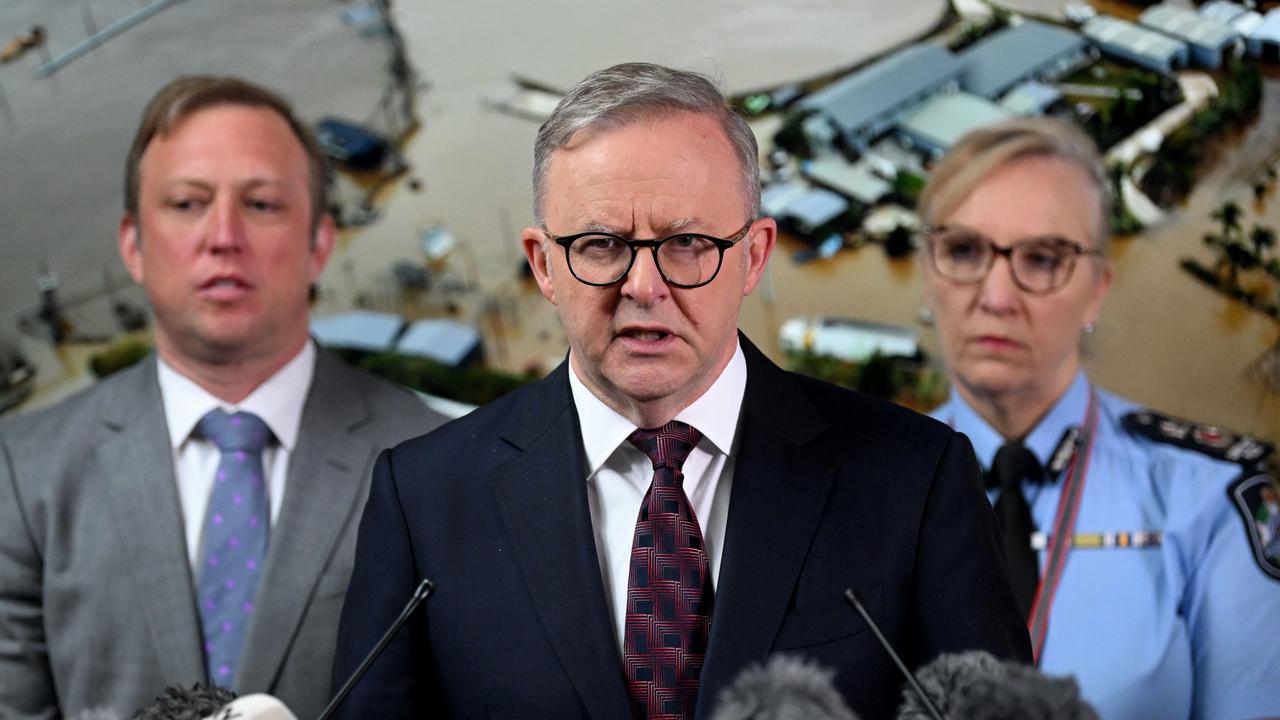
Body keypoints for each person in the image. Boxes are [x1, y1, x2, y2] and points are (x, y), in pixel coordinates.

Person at [332, 62, 1030, 720]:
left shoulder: (915, 480)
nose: (644, 286)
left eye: (689, 243)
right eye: (602, 244)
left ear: (753, 255)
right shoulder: (422, 498)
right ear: (544, 265)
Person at [0, 75, 446, 720]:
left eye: (262, 204)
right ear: (133, 244)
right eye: (186, 203)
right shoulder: (19, 473)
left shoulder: (441, 462)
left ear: (321, 242)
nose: (224, 235)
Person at [920, 116, 1280, 719]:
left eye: (1041, 259)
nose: (996, 295)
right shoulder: (859, 491)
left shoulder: (1205, 497)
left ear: (1098, 289)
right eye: (964, 250)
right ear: (929, 272)